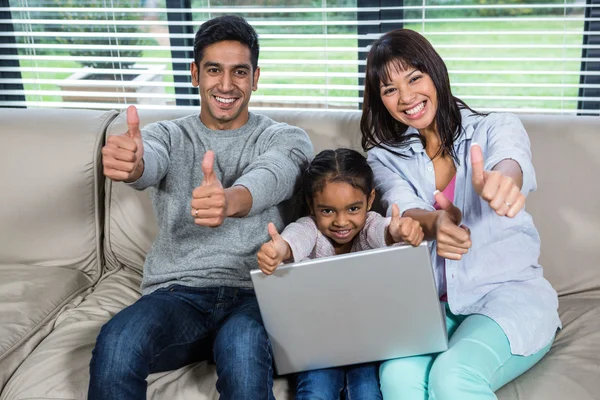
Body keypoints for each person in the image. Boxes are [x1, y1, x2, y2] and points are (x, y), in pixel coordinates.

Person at [89, 15, 313, 400]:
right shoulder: (167, 135)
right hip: (177, 294)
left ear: (255, 77)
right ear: (195, 73)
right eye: (213, 70)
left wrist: (231, 200)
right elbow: (149, 161)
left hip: (255, 293)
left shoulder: (284, 137)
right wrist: (134, 164)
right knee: (117, 342)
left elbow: (276, 172)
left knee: (241, 347)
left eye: (239, 72)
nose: (226, 85)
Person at [360, 29, 561, 400]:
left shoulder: (495, 126)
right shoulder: (383, 158)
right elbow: (403, 206)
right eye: (389, 90)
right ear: (380, 100)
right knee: (398, 379)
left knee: (453, 376)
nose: (406, 98)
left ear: (435, 73)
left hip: (507, 297)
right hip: (432, 308)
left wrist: (503, 182)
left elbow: (510, 161)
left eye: (414, 78)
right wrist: (436, 222)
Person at [257, 148, 424, 400]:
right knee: (316, 391)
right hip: (316, 344)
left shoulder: (369, 225)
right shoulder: (310, 229)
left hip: (369, 343)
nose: (341, 222)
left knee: (367, 392)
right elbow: (295, 239)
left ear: (369, 201)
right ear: (312, 205)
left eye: (353, 209)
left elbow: (384, 231)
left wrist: (398, 231)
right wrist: (280, 249)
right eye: (327, 211)